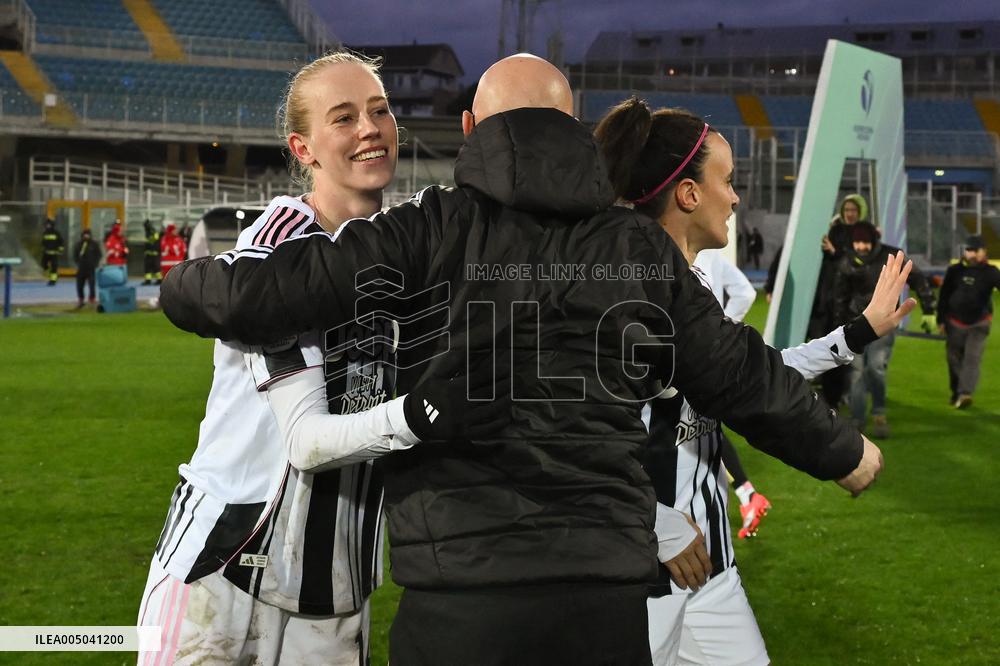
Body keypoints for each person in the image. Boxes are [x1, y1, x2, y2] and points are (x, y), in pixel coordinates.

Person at [160, 54, 882, 665]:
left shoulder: (430, 228)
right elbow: (736, 369)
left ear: (470, 129)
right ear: (573, 130)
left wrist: (180, 282)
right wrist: (841, 451)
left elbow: (260, 293)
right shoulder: (634, 245)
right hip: (603, 594)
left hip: (460, 595)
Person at [136, 52, 487, 665]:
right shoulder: (282, 246)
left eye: (380, 111)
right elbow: (307, 442)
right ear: (304, 149)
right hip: (226, 567)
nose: (370, 129)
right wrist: (424, 413)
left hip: (334, 587)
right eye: (344, 118)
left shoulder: (406, 251)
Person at [594, 98, 910, 666]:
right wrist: (658, 522)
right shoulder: (624, 299)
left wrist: (858, 332)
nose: (737, 197)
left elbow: (750, 373)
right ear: (688, 194)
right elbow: (576, 438)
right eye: (728, 181)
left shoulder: (691, 286)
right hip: (646, 570)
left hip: (710, 565)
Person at [690, 249, 771, 539]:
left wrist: (718, 329)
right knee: (704, 429)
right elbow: (745, 293)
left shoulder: (682, 256)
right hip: (707, 357)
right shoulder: (709, 256)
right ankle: (746, 495)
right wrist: (723, 327)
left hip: (690, 359)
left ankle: (745, 495)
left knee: (694, 430)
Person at [833, 221, 936, 437]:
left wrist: (928, 308)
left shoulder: (891, 257)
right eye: (857, 242)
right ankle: (857, 420)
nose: (861, 246)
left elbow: (917, 277)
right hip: (855, 323)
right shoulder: (847, 262)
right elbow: (840, 296)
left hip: (884, 323)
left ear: (873, 240)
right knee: (856, 373)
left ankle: (879, 412)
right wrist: (840, 325)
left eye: (865, 242)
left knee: (875, 368)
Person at [937, 234, 1000, 408]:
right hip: (954, 322)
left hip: (979, 322)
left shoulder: (991, 272)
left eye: (975, 250)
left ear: (983, 252)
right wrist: (941, 320)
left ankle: (965, 393)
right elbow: (944, 296)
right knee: (954, 359)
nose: (971, 254)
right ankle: (957, 392)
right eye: (968, 250)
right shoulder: (954, 270)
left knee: (972, 357)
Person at [72, 228, 101, 307]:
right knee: (79, 284)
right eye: (85, 234)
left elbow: (98, 254)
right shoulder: (79, 244)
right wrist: (78, 262)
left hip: (91, 268)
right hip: (81, 268)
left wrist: (95, 263)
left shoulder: (94, 244)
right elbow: (75, 255)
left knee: (92, 284)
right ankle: (81, 299)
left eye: (88, 234)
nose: (86, 236)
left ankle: (92, 298)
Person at [41, 217, 64, 285]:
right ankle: (50, 274)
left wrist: (60, 250)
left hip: (54, 253)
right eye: (47, 224)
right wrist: (43, 248)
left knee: (54, 267)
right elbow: (43, 242)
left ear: (52, 225)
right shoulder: (45, 233)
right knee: (43, 264)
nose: (48, 226)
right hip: (46, 253)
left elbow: (61, 242)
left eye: (49, 224)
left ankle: (53, 280)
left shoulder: (56, 233)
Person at [142, 220, 162, 285]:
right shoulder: (147, 232)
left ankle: (159, 280)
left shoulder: (153, 232)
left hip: (154, 253)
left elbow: (154, 240)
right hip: (148, 253)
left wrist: (149, 241)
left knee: (156, 267)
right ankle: (148, 280)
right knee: (147, 268)